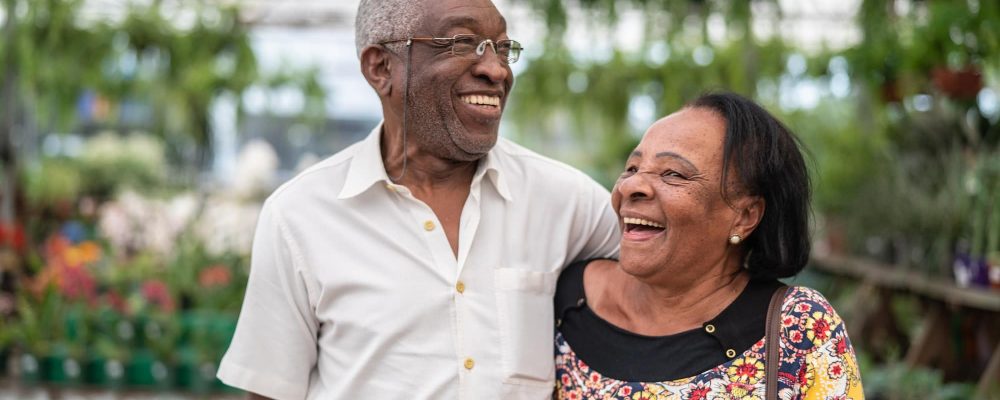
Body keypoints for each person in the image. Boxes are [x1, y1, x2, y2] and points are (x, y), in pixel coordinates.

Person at [216, 0, 620, 399]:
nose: (496, 69)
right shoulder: (300, 214)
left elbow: (671, 287)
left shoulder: (569, 202)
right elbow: (272, 390)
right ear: (381, 67)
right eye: (462, 43)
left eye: (501, 47)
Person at [553, 92, 864, 399]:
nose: (630, 186)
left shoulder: (799, 326)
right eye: (633, 168)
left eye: (673, 173)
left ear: (744, 216)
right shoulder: (564, 300)